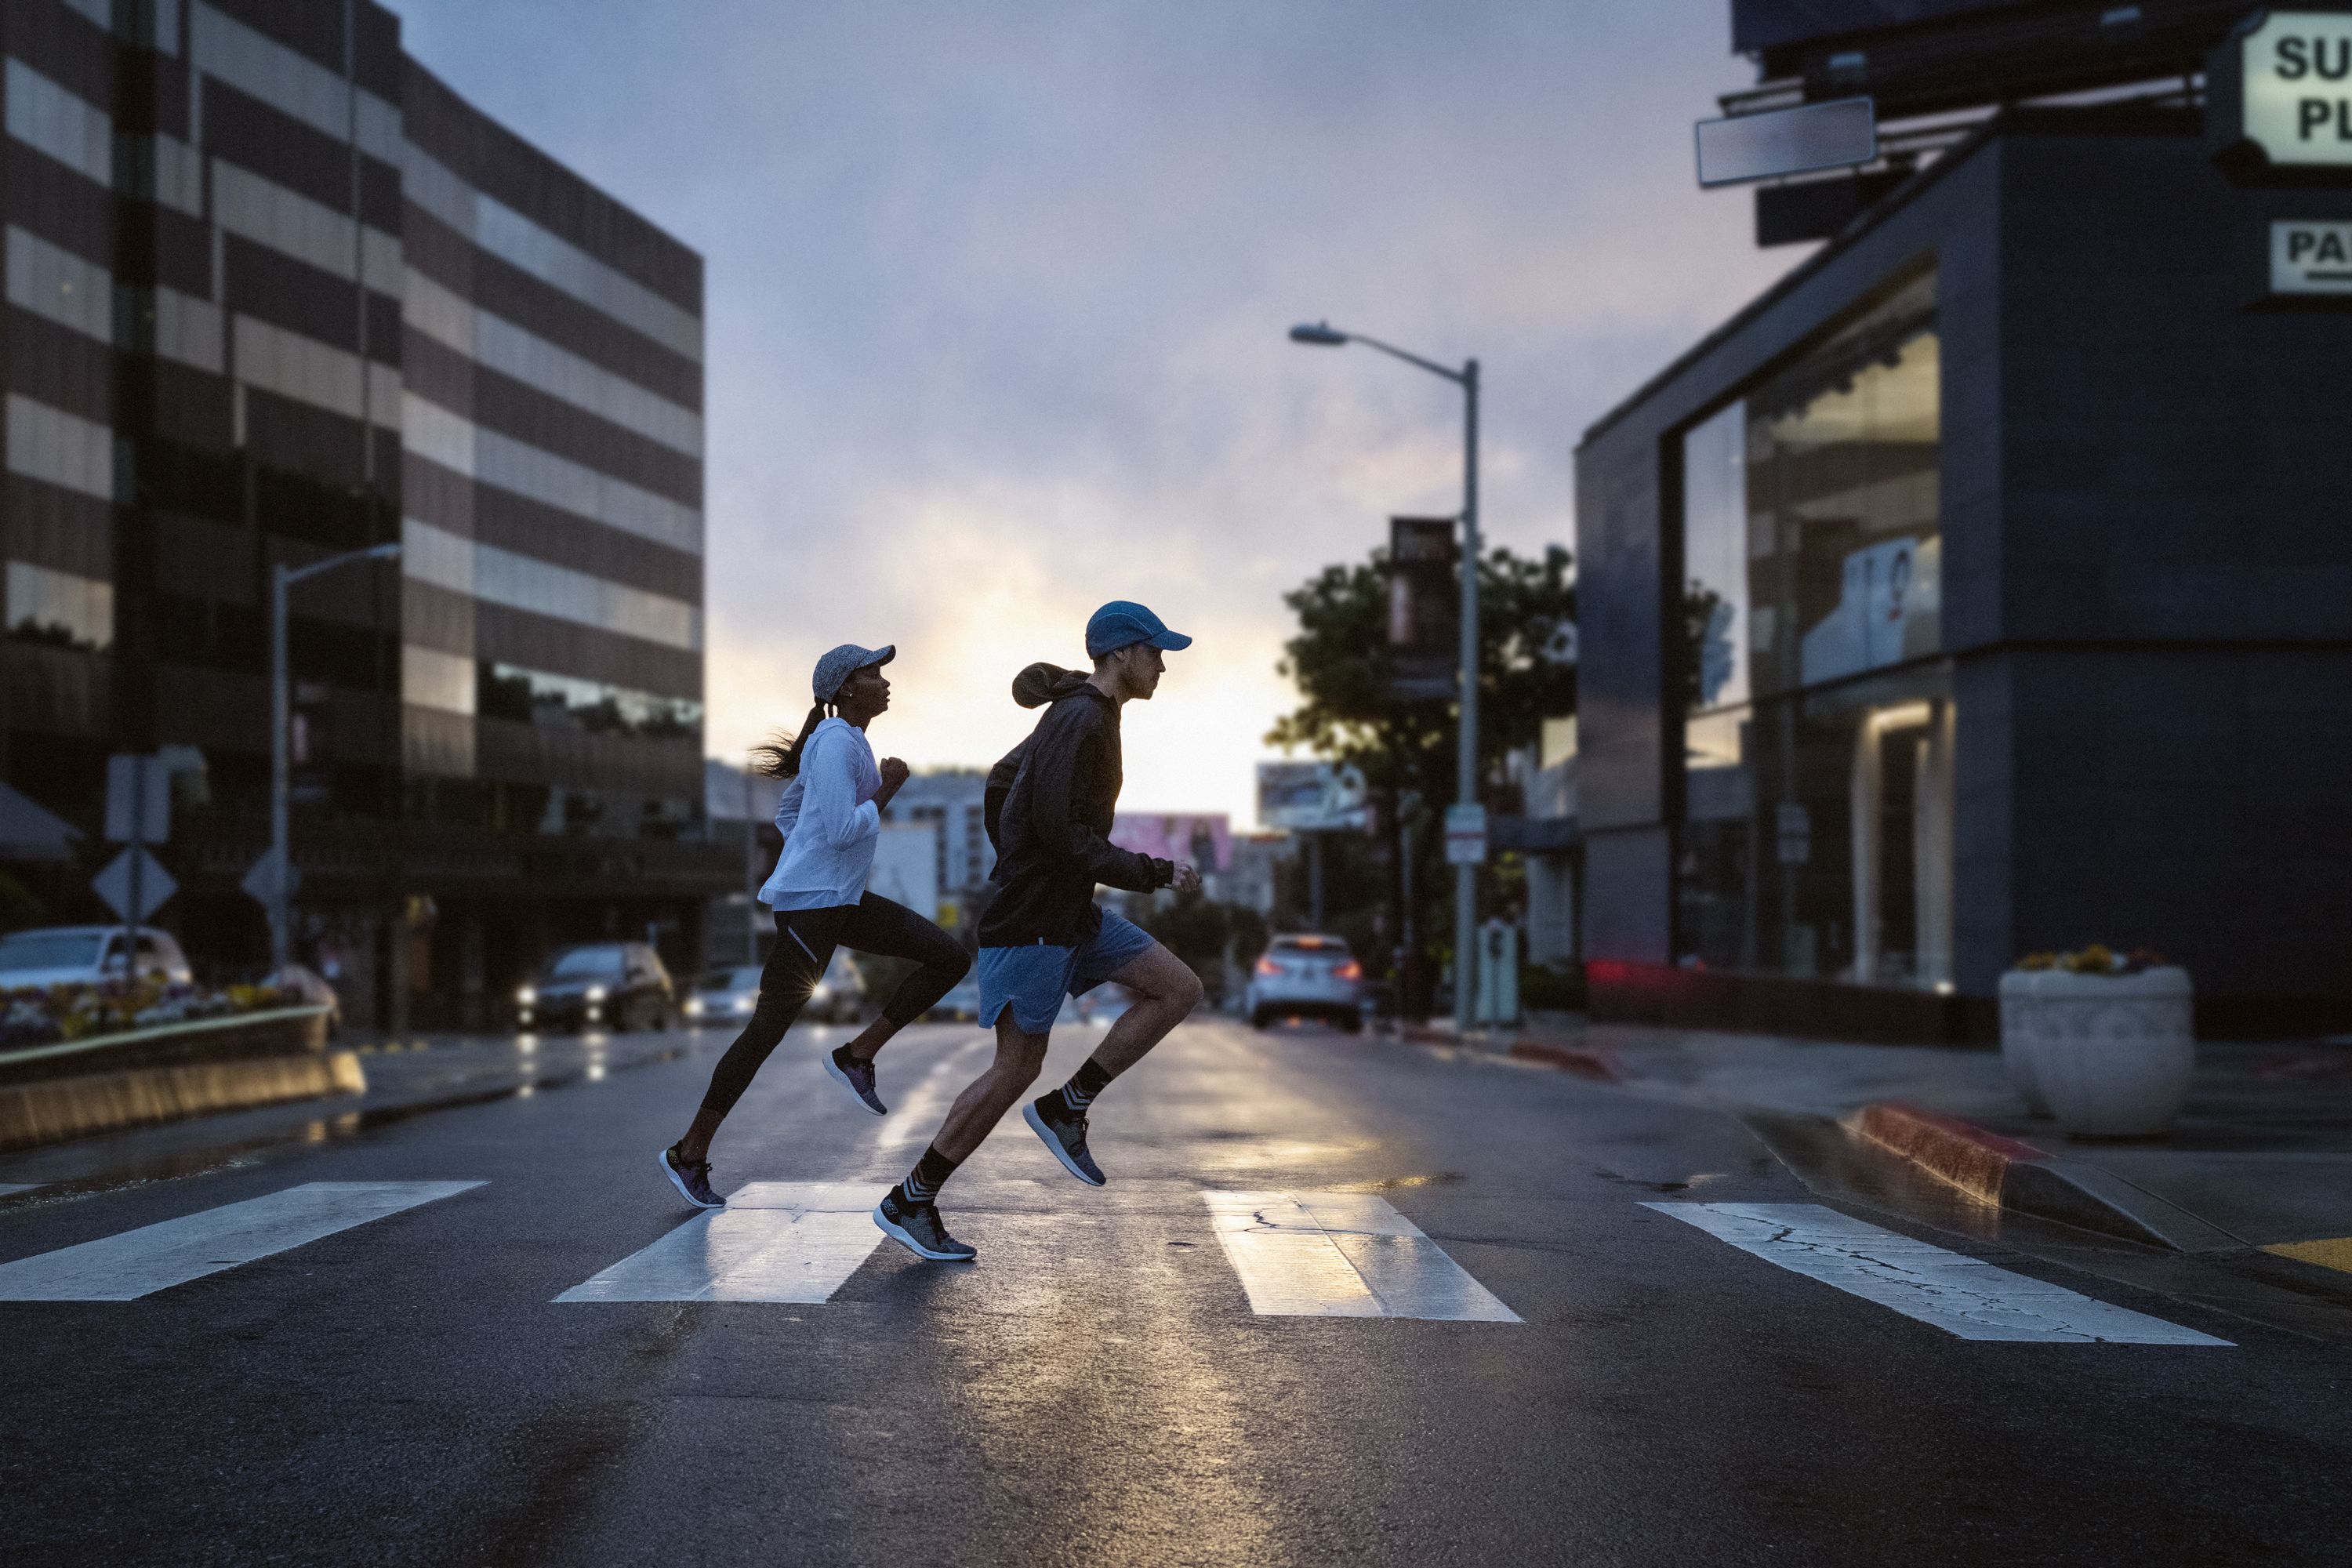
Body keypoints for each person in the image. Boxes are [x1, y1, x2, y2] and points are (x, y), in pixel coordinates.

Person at [873, 601, 1205, 1261]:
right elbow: (1060, 832)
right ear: (1119, 655)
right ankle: (912, 1198)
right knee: (1014, 1067)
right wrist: (1151, 871)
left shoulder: (1091, 713)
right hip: (1031, 923)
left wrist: (1018, 856)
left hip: (1068, 914)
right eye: (1154, 651)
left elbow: (1002, 781)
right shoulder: (1080, 717)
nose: (1163, 664)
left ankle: (1069, 1106)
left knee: (1178, 988)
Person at [658, 644, 970, 1210]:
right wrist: (888, 791)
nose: (884, 681)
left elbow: (792, 814)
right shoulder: (834, 744)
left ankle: (857, 1055)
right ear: (846, 688)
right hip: (812, 906)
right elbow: (844, 829)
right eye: (873, 673)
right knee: (766, 1031)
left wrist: (805, 849)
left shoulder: (847, 741)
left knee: (949, 957)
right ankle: (689, 1152)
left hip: (837, 900)